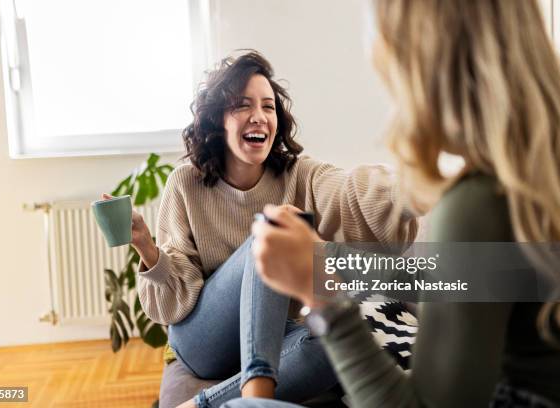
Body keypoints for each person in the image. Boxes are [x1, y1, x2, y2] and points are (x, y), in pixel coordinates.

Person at [228, 1, 560, 407]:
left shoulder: (478, 202)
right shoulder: (535, 178)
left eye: (267, 105)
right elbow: (448, 280)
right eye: (244, 105)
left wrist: (323, 299)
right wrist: (323, 262)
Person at [120, 51, 418, 408]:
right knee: (273, 228)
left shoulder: (300, 173)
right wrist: (148, 251)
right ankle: (256, 400)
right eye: (243, 106)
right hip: (204, 339)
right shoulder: (186, 183)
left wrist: (417, 187)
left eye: (269, 106)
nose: (259, 117)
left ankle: (203, 405)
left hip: (273, 334)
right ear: (218, 120)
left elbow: (348, 192)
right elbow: (173, 304)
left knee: (335, 346)